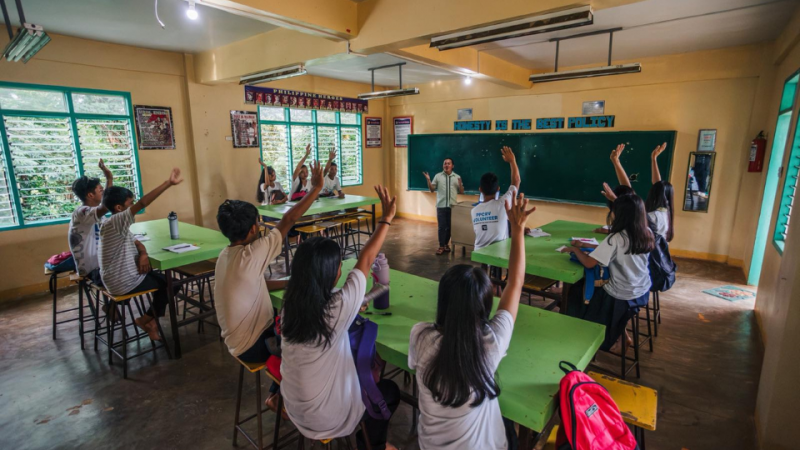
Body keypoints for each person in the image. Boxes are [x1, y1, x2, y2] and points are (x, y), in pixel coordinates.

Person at [409, 192, 534, 450]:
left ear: (443, 301)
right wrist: (517, 230)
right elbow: (515, 283)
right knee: (508, 422)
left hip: (428, 445)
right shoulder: (492, 342)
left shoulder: (420, 335)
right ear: (486, 307)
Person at [280, 185, 400, 450]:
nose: (340, 270)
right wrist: (386, 218)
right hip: (330, 418)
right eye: (338, 266)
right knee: (390, 392)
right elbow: (366, 260)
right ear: (332, 274)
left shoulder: (290, 303)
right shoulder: (337, 306)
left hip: (294, 408)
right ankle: (373, 445)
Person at [215, 161, 324, 410]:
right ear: (254, 228)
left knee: (290, 323)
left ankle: (277, 394)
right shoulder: (254, 252)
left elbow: (258, 283)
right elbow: (288, 219)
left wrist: (291, 282)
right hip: (252, 346)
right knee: (309, 341)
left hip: (235, 341)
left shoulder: (226, 255)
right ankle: (286, 401)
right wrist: (315, 189)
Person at [561, 193, 654, 351]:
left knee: (575, 292)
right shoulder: (646, 232)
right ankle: (622, 333)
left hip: (620, 296)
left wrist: (576, 250)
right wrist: (585, 245)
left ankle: (584, 343)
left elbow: (589, 264)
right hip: (642, 291)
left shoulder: (615, 238)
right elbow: (620, 251)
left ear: (620, 215)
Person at [98, 168, 183, 341]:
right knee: (173, 284)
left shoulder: (111, 224)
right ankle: (146, 320)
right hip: (123, 281)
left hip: (114, 279)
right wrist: (168, 183)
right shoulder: (118, 219)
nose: (133, 206)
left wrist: (143, 253)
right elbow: (144, 203)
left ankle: (143, 319)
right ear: (119, 207)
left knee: (157, 276)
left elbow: (135, 241)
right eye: (130, 203)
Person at [68, 159, 113, 285]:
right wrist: (109, 178)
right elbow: (106, 205)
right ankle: (112, 305)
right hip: (93, 270)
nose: (104, 193)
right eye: (100, 191)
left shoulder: (96, 214)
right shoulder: (82, 213)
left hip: (102, 266)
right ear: (90, 195)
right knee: (130, 276)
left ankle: (112, 305)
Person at [471, 146, 521, 250]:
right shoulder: (503, 204)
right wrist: (512, 161)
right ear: (498, 189)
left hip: (479, 253)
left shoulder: (473, 211)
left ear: (480, 189)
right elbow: (516, 181)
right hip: (499, 253)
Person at [423, 158, 464, 255]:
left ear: (452, 166)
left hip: (452, 206)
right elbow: (432, 189)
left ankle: (446, 244)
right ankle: (441, 246)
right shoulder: (438, 176)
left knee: (449, 227)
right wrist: (428, 180)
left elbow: (461, 191)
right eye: (445, 163)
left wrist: (460, 184)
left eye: (448, 163)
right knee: (442, 227)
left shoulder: (457, 177)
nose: (446, 165)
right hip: (441, 206)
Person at [647, 143, 675, 241]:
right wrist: (654, 159)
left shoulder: (652, 216)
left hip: (648, 254)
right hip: (661, 254)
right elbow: (658, 187)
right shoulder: (666, 213)